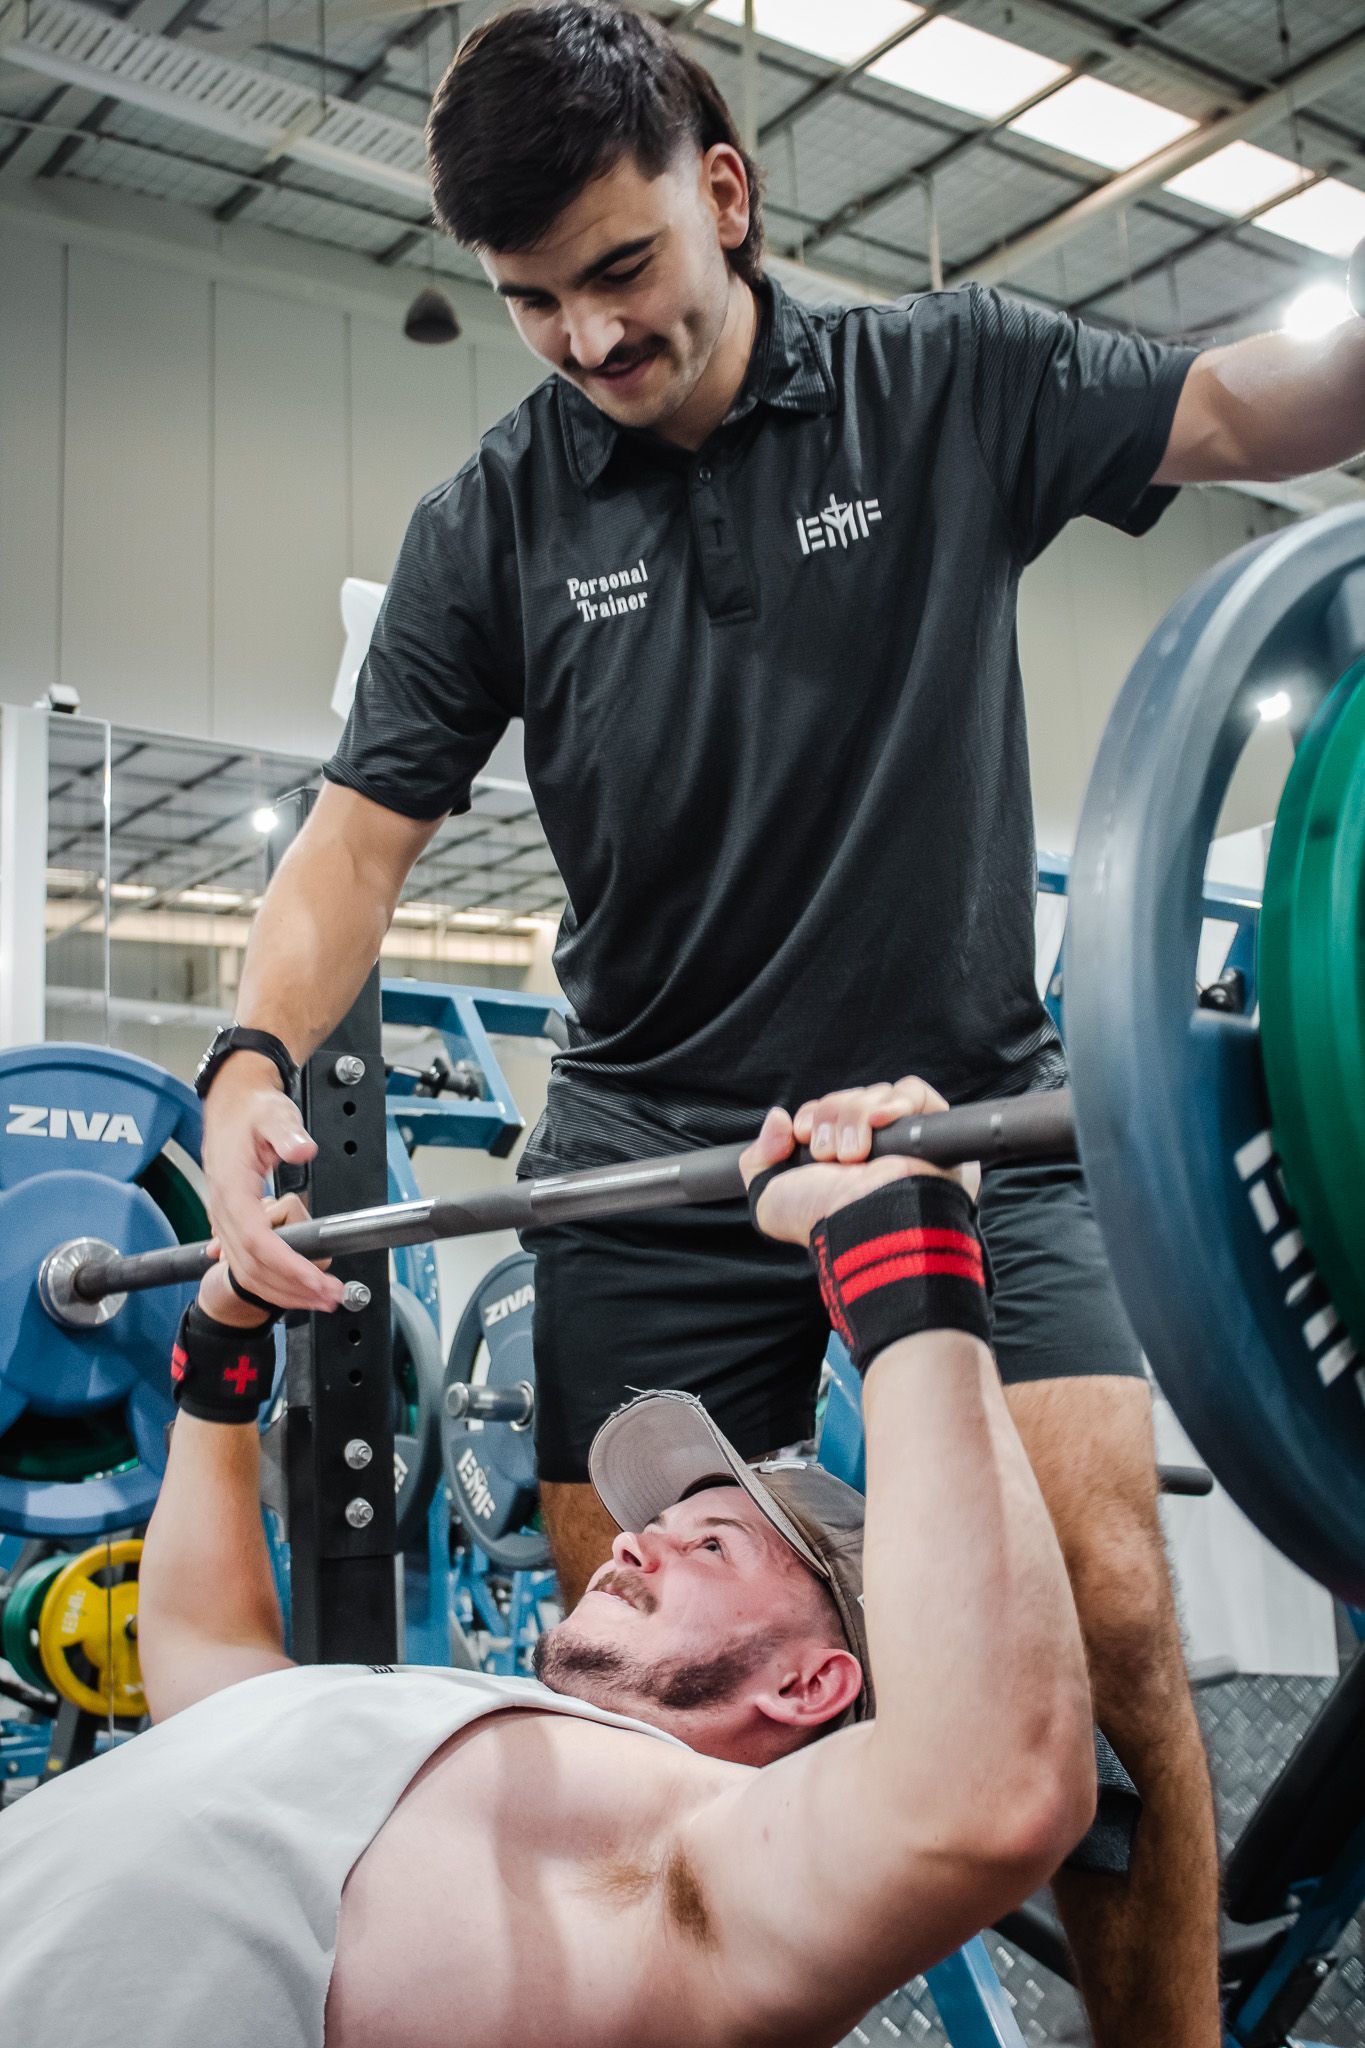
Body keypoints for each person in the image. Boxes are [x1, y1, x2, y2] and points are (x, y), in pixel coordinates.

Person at [193, 7, 1365, 2042]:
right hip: (651, 1156)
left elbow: (1253, 409)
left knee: (1108, 1637)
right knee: (638, 1709)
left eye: (619, 268)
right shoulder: (494, 521)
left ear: (722, 192)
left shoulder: (945, 384)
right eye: (532, 300)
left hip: (965, 1119)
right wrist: (244, 1063)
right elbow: (353, 849)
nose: (586, 337)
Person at [0, 1081, 1096, 2048]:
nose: (632, 1538)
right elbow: (204, 1658)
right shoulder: (431, 1725)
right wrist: (222, 1341)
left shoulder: (698, 1865)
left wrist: (900, 1245)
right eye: (662, 1522)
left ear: (809, 1682)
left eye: (712, 1542)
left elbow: (990, 1791)